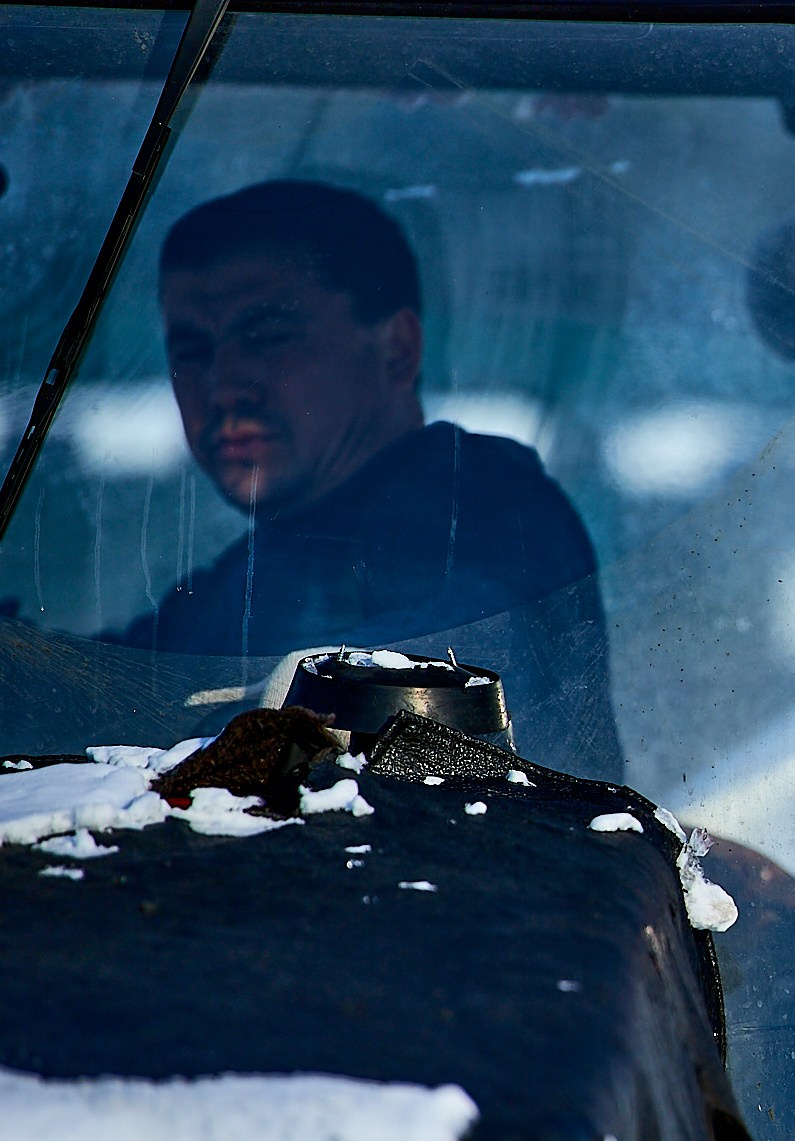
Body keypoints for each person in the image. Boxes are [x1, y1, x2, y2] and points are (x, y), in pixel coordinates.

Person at [107, 180, 623, 779]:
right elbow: (98, 691)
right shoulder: (243, 579)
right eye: (193, 351)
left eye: (268, 335)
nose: (223, 388)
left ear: (398, 351)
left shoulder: (475, 520)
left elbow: (421, 708)